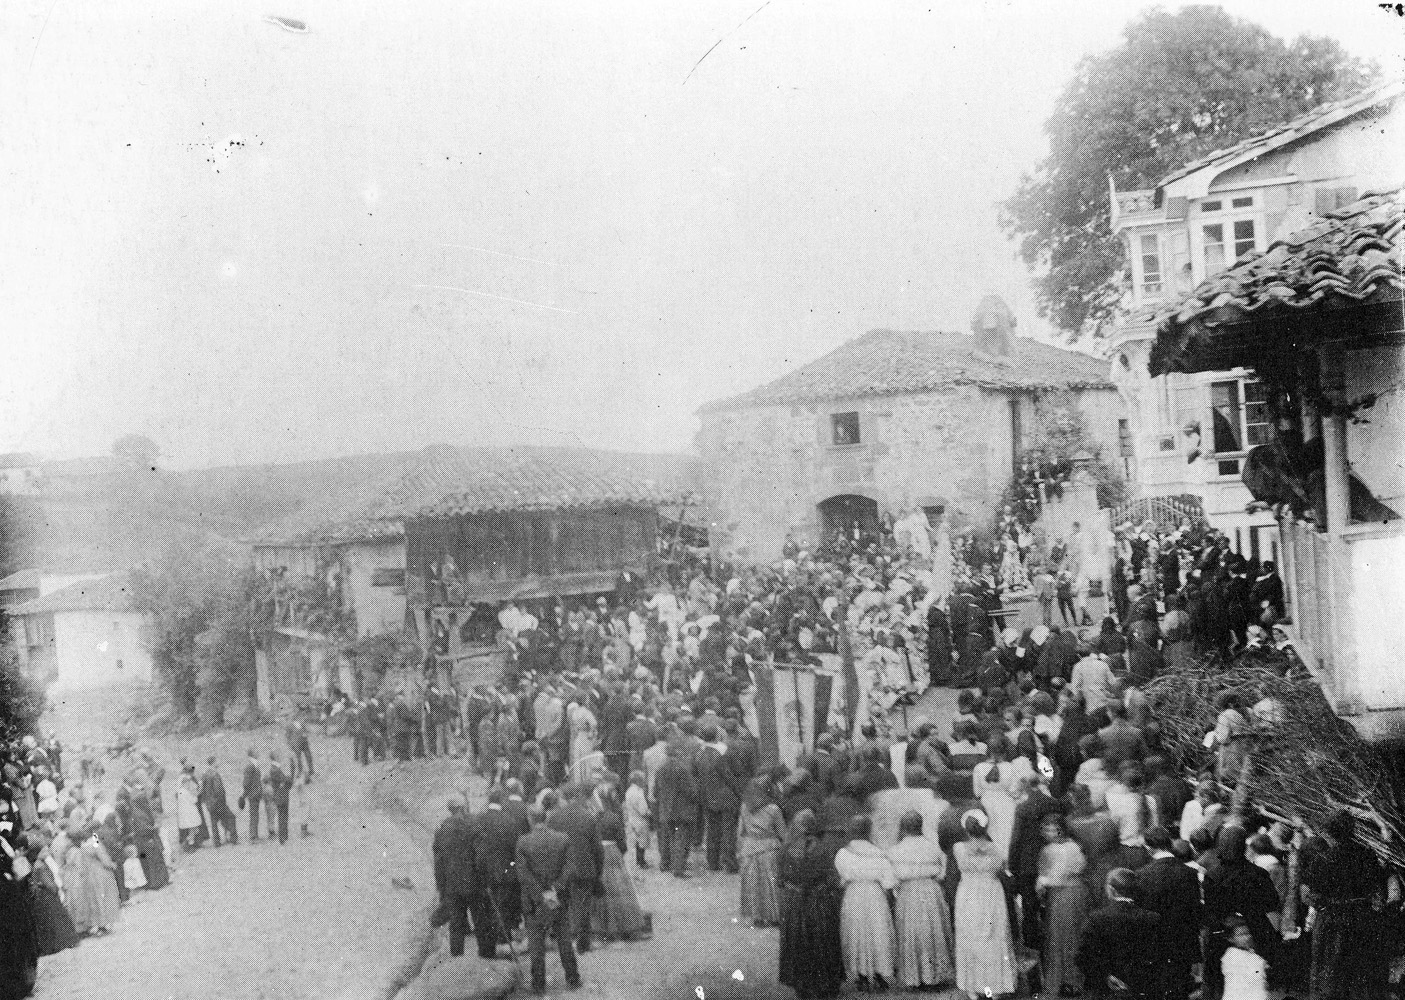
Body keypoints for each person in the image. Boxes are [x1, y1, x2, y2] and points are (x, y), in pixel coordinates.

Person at [1300, 809, 1385, 1000]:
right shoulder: (1367, 855)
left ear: (1329, 832)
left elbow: (1308, 896)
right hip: (1361, 919)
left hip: (1331, 921)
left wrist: (1324, 903)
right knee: (1358, 974)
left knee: (1328, 973)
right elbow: (1377, 889)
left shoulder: (1322, 859)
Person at [777, 810, 845, 1000]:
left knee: (797, 941)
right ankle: (827, 985)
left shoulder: (785, 850)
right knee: (823, 941)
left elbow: (780, 880)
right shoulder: (823, 849)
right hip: (820, 901)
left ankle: (802, 986)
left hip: (795, 903)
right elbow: (833, 878)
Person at [516, 804, 582, 995]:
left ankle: (538, 985)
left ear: (530, 819)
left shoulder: (523, 842)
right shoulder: (562, 839)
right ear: (545, 818)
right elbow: (570, 868)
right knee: (564, 940)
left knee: (536, 944)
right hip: (558, 899)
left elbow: (523, 875)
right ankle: (573, 978)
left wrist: (540, 896)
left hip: (534, 903)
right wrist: (555, 889)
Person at [953, 809, 1017, 999]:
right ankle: (994, 988)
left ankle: (972, 987)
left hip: (969, 893)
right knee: (993, 936)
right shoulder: (996, 848)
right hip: (990, 892)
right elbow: (1001, 868)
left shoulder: (959, 848)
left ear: (966, 829)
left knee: (970, 935)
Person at [887, 809, 955, 990]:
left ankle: (915, 976)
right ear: (921, 826)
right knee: (933, 930)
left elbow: (892, 877)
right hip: (931, 890)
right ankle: (935, 975)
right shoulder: (933, 848)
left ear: (903, 828)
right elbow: (943, 872)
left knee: (912, 932)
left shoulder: (894, 851)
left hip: (908, 892)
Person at [1135, 826, 1202, 1000]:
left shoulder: (1142, 875)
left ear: (1149, 847)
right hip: (1182, 942)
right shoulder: (1190, 873)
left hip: (1155, 943)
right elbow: (1194, 910)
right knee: (1179, 989)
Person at [834, 814, 897, 993]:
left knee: (856, 932)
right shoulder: (879, 854)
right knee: (877, 932)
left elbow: (842, 876)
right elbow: (889, 882)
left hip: (853, 895)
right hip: (875, 895)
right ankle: (878, 973)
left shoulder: (843, 853)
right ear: (869, 831)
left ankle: (861, 975)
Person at [1077, 868, 1163, 999]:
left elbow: (1083, 957)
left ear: (1111, 890)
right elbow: (1158, 957)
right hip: (1141, 990)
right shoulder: (1153, 918)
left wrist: (1105, 976)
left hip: (1104, 991)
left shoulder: (1096, 918)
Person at [547, 783, 604, 954]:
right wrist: (597, 872)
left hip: (562, 870)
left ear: (564, 797)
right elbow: (598, 850)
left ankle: (564, 941)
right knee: (583, 906)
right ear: (578, 796)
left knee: (562, 906)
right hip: (584, 869)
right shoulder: (588, 817)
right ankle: (583, 943)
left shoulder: (554, 818)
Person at [590, 783, 647, 942]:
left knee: (601, 889)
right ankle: (625, 924)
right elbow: (622, 843)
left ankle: (601, 927)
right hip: (613, 852)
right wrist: (620, 853)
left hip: (599, 854)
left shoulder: (593, 818)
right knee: (620, 890)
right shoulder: (613, 817)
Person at [432, 794, 478, 958]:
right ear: (461, 808)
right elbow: (479, 854)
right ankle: (485, 954)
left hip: (452, 883)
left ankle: (457, 957)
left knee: (456, 923)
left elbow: (438, 862)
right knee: (479, 917)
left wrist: (441, 887)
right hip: (473, 880)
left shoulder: (442, 829)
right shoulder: (472, 824)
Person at [737, 777, 786, 928]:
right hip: (769, 847)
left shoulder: (745, 806)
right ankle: (773, 916)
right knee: (770, 883)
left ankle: (756, 916)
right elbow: (783, 833)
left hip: (749, 847)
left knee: (752, 883)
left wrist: (740, 849)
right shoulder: (773, 809)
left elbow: (741, 831)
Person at [695, 722, 743, 873]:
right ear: (717, 736)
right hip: (726, 797)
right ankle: (730, 863)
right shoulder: (722, 753)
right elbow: (731, 776)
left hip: (708, 798)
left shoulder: (699, 755)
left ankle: (713, 863)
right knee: (728, 831)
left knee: (712, 831)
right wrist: (739, 794)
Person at [653, 741, 699, 878]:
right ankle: (678, 868)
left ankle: (665, 863)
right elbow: (691, 791)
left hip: (666, 811)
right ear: (678, 753)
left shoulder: (660, 769)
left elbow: (655, 792)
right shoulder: (682, 769)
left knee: (667, 837)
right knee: (680, 838)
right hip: (681, 811)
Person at [1222, 914, 1268, 1000]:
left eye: (1247, 933)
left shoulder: (1249, 953)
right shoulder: (1232, 957)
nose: (1247, 937)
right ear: (1230, 939)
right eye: (1241, 935)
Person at [200, 756, 238, 847]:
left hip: (210, 804)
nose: (219, 762)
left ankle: (216, 842)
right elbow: (219, 791)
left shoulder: (205, 774)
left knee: (214, 823)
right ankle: (233, 839)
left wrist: (206, 801)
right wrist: (222, 803)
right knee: (231, 817)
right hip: (219, 803)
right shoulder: (215, 774)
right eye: (217, 761)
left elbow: (202, 790)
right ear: (213, 762)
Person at [623, 770, 652, 869]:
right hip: (640, 820)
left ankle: (639, 861)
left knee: (637, 841)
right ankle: (641, 861)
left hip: (632, 819)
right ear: (638, 780)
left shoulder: (629, 791)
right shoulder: (638, 793)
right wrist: (649, 812)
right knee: (642, 842)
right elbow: (643, 811)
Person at [265, 753, 293, 845]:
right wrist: (287, 778)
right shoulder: (275, 770)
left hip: (282, 795)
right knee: (282, 816)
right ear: (275, 757)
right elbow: (285, 780)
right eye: (278, 755)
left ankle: (284, 836)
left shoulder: (276, 769)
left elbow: (285, 780)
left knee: (284, 816)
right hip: (281, 796)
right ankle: (282, 838)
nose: (280, 756)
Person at [240, 748, 263, 843]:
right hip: (253, 794)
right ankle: (253, 836)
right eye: (256, 751)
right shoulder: (250, 766)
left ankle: (254, 835)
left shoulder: (254, 764)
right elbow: (246, 782)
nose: (258, 752)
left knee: (255, 814)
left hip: (255, 793)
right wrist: (246, 794)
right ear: (252, 754)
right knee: (254, 815)